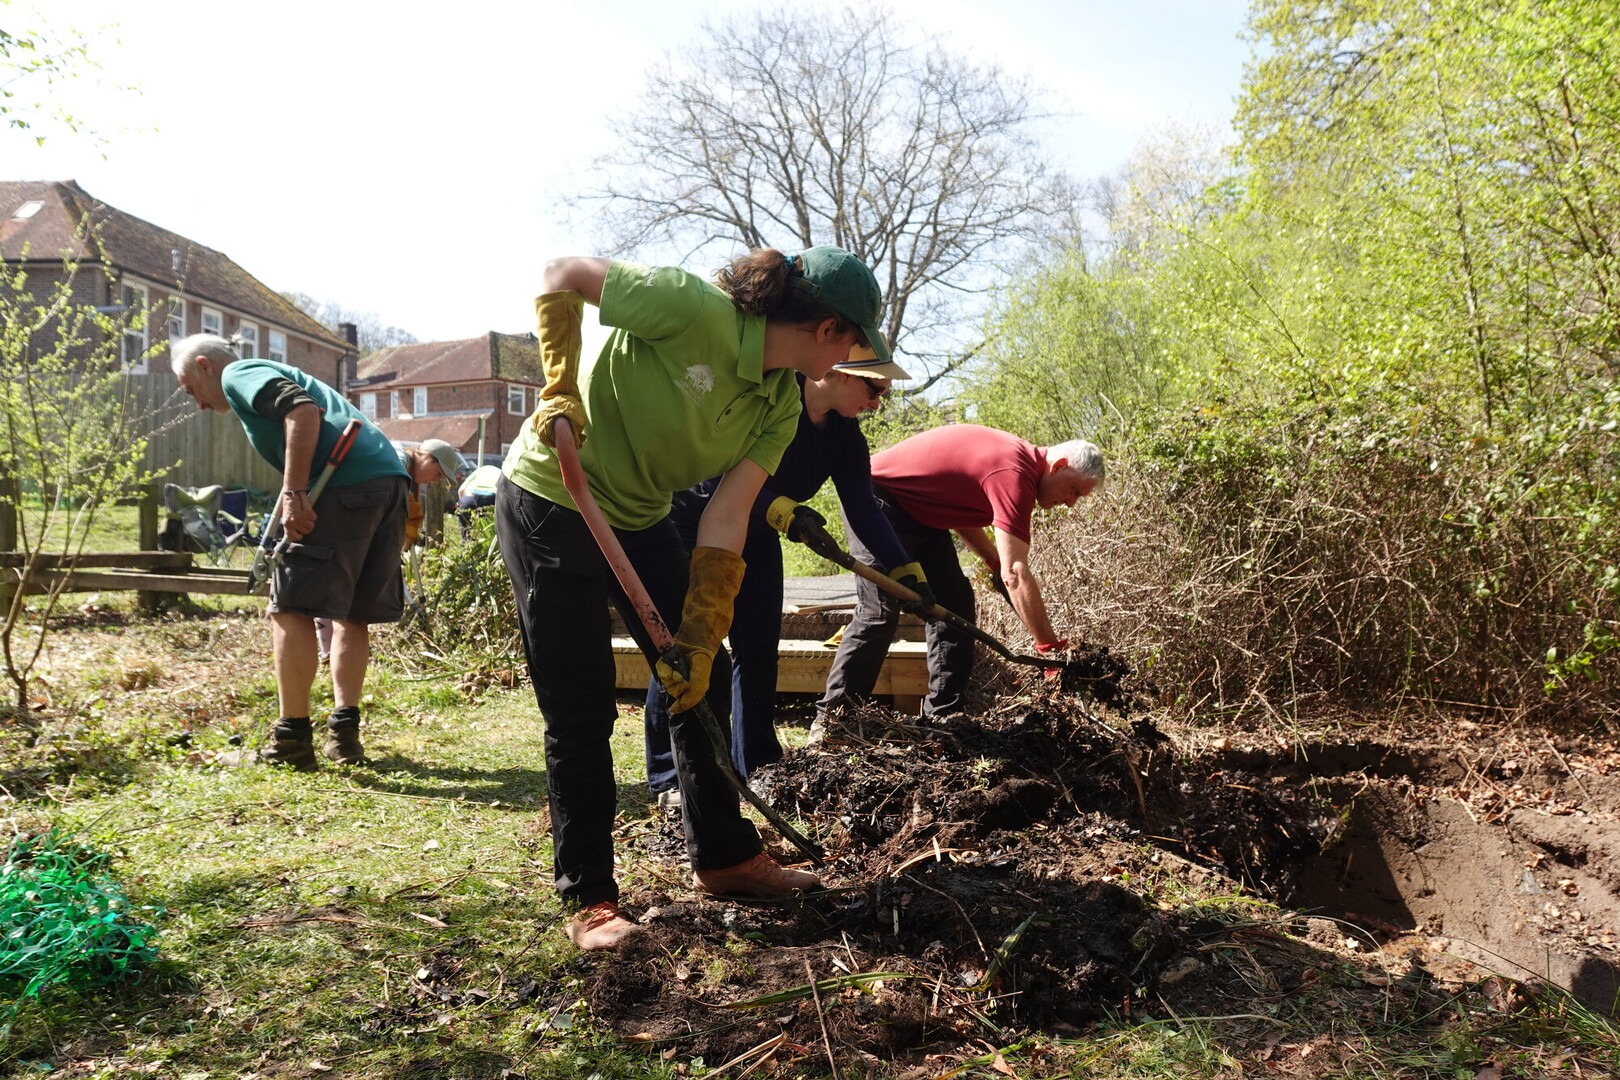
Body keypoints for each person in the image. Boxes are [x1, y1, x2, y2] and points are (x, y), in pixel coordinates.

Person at [497, 245, 900, 950]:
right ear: (831, 330)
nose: (856, 360)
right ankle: (590, 898)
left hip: (645, 515)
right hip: (554, 497)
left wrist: (702, 627)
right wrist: (559, 384)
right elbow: (561, 274)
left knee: (698, 680)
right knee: (582, 705)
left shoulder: (778, 403)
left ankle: (723, 857)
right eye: (859, 343)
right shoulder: (693, 307)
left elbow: (726, 514)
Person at [642, 343, 926, 801]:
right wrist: (782, 508)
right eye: (875, 389)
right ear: (838, 373)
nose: (877, 402)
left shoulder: (845, 436)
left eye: (884, 394)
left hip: (756, 535)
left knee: (758, 650)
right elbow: (715, 475)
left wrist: (904, 568)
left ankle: (754, 762)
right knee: (685, 644)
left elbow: (863, 509)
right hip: (696, 525)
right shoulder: (772, 397)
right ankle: (669, 776)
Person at [170, 333, 409, 769]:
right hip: (388, 481)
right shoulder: (273, 374)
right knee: (352, 614)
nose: (198, 404)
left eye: (190, 390)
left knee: (290, 608)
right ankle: (345, 736)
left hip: (344, 484)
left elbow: (301, 411)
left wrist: (294, 492)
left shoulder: (239, 373)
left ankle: (292, 739)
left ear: (205, 365)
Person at [815, 424, 1105, 722]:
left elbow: (959, 512)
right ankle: (835, 722)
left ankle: (943, 718)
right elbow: (1015, 573)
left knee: (955, 605)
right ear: (1058, 466)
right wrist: (1050, 651)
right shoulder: (1015, 474)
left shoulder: (1021, 469)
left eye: (1078, 497)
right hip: (877, 500)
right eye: (1073, 490)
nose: (1071, 503)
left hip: (923, 515)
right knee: (880, 610)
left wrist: (992, 561)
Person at [316, 438, 466, 664]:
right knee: (337, 590)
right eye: (438, 473)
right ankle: (328, 651)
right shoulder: (398, 460)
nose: (437, 480)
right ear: (426, 457)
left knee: (340, 591)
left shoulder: (406, 472)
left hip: (352, 523)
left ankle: (331, 650)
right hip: (344, 518)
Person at [455, 463, 502, 536]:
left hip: (469, 497)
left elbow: (461, 490)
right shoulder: (500, 473)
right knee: (489, 532)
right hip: (491, 498)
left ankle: (467, 544)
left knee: (466, 532)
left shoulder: (478, 471)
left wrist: (463, 504)